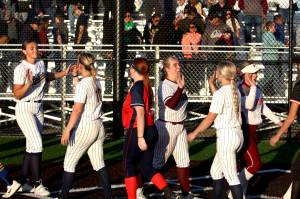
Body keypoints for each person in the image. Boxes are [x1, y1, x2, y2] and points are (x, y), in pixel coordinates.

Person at [13, 40, 71, 197]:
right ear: (24, 51)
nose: (35, 50)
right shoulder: (20, 68)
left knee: (31, 146)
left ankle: (22, 182)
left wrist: (64, 73)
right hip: (24, 107)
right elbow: (17, 94)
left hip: (38, 107)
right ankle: (38, 184)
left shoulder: (40, 63)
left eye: (36, 47)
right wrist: (28, 84)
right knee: (37, 144)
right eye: (31, 48)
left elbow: (47, 77)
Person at [188, 61, 244, 199]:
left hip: (227, 137)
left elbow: (210, 118)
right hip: (237, 134)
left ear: (220, 74)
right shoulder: (235, 89)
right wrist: (212, 85)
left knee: (232, 178)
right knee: (215, 172)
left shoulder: (223, 92)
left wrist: (194, 133)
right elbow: (221, 101)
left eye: (217, 72)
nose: (216, 74)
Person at [60, 53, 112, 199]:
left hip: (86, 126)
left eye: (78, 63)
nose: (76, 65)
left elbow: (77, 109)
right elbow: (82, 89)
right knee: (99, 163)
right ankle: (109, 196)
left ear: (82, 65)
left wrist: (67, 129)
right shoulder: (96, 81)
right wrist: (75, 76)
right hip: (99, 126)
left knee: (69, 164)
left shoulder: (85, 84)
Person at [227, 63, 283, 198]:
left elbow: (262, 107)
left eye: (256, 73)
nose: (256, 75)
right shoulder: (238, 89)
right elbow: (250, 105)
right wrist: (252, 88)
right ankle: (234, 192)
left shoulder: (255, 88)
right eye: (253, 73)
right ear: (246, 74)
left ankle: (241, 194)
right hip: (243, 130)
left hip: (253, 130)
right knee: (254, 164)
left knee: (245, 165)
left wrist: (278, 121)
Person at [122, 58, 172, 199]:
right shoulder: (144, 85)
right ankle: (169, 193)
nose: (129, 69)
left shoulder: (138, 86)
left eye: (131, 67)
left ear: (134, 69)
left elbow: (140, 113)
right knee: (146, 167)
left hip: (139, 129)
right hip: (151, 129)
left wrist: (140, 137)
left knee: (128, 165)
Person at [153, 56, 195, 198]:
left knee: (184, 161)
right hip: (167, 127)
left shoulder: (179, 82)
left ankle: (185, 194)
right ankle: (138, 189)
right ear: (166, 69)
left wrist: (180, 87)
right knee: (157, 163)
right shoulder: (165, 85)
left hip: (180, 127)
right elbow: (170, 104)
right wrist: (180, 89)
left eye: (178, 64)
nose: (178, 67)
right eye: (175, 65)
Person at [269, 58, 300, 199]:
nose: (297, 66)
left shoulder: (299, 86)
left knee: (297, 170)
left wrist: (278, 134)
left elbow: (291, 116)